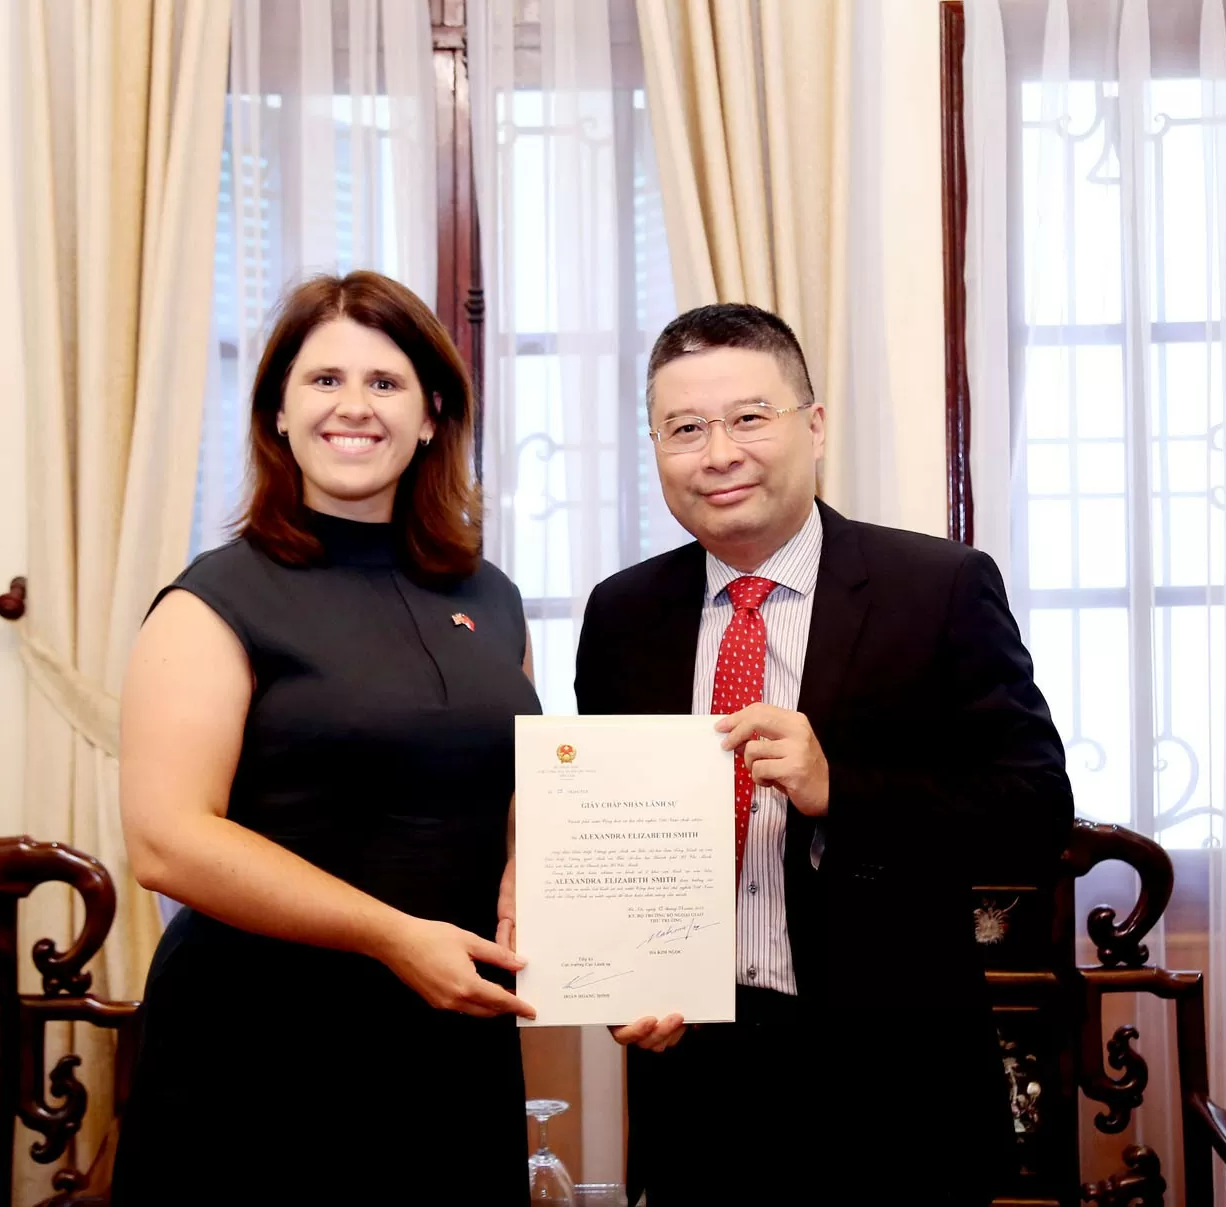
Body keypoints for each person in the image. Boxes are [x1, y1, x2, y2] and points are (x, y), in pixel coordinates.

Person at [572, 303, 1074, 1204]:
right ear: (655, 448)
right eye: (684, 428)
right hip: (698, 1083)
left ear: (814, 426)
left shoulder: (939, 588)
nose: (717, 452)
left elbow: (1035, 814)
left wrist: (841, 789)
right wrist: (619, 978)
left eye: (748, 418)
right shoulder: (621, 615)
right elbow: (616, 844)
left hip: (892, 1089)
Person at [113, 271, 538, 1204]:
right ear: (276, 413)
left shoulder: (490, 596)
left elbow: (512, 787)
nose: (355, 407)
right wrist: (392, 936)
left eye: (385, 383)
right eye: (324, 380)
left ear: (432, 415)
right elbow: (166, 839)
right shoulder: (211, 599)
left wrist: (541, 876)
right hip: (261, 1047)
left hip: (450, 1036)